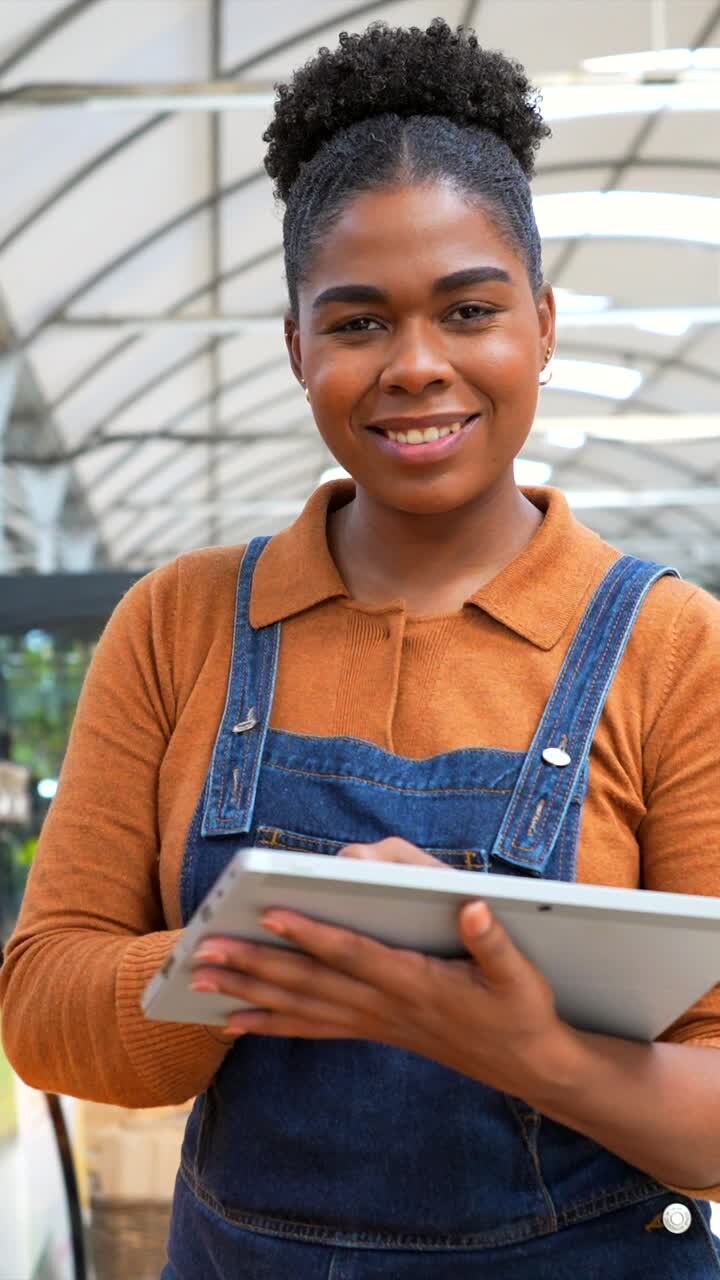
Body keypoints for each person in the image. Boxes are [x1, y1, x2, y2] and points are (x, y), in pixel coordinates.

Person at [2, 18, 720, 1278]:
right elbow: (45, 1002)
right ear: (296, 347)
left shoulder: (676, 648)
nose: (418, 365)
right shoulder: (178, 625)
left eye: (470, 309)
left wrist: (502, 1035)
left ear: (542, 324)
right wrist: (244, 951)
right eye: (358, 323)